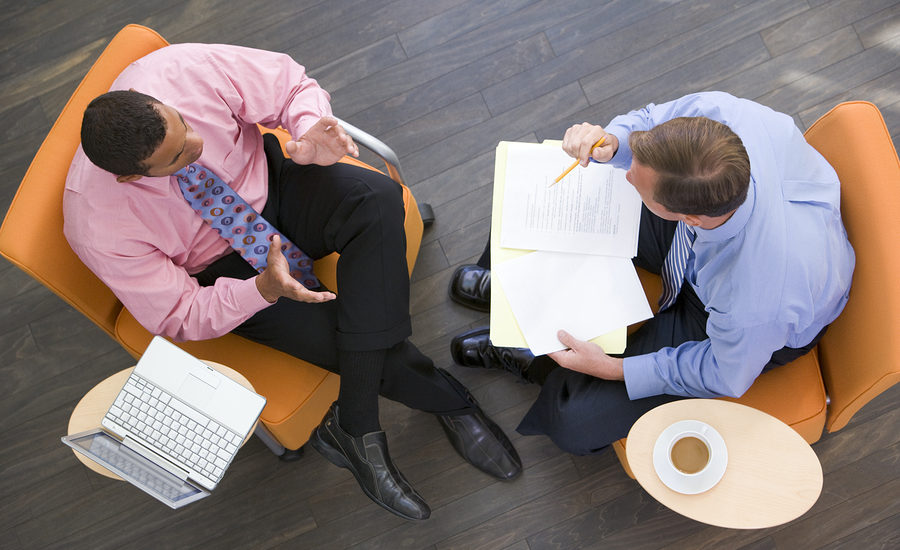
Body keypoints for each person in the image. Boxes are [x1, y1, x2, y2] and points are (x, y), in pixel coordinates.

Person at [64, 43, 521, 521]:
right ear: (130, 177)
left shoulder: (176, 70)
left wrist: (306, 127)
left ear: (157, 100)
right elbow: (179, 313)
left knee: (377, 196)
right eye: (179, 155)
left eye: (186, 123)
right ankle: (450, 401)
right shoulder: (96, 222)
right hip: (228, 270)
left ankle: (356, 422)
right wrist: (261, 290)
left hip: (272, 184)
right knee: (350, 338)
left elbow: (288, 84)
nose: (197, 144)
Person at [449, 91, 854, 455]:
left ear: (687, 217)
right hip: (715, 250)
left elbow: (724, 374)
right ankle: (513, 299)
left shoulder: (757, 300)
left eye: (637, 182)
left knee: (573, 418)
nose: (627, 175)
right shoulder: (721, 117)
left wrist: (615, 369)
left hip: (740, 326)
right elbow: (647, 121)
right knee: (542, 200)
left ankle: (532, 355)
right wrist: (613, 143)